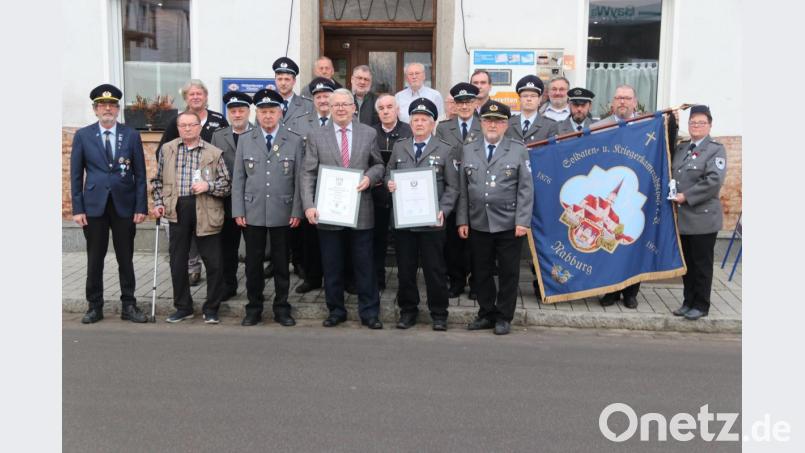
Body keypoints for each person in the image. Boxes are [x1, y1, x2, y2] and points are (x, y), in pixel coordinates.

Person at [302, 88, 386, 329]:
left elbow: (379, 165)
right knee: (332, 265)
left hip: (361, 209)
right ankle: (336, 310)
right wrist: (309, 205)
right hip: (328, 211)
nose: (340, 108)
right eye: (335, 104)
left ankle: (370, 312)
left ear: (353, 108)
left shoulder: (368, 133)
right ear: (329, 108)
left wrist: (370, 178)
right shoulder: (316, 135)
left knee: (364, 265)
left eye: (345, 104)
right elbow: (308, 173)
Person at [70, 84, 148, 324]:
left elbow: (140, 174)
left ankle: (129, 305)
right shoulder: (83, 136)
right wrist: (78, 208)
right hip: (94, 207)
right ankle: (94, 306)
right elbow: (75, 175)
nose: (107, 109)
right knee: (95, 259)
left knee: (125, 258)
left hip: (124, 205)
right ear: (95, 109)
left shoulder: (131, 135)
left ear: (118, 109)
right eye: (102, 105)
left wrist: (141, 207)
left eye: (112, 105)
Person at [457, 100, 533, 335]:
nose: (492, 125)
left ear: (506, 125)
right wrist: (462, 220)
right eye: (488, 120)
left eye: (498, 121)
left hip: (508, 222)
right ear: (481, 123)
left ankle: (504, 317)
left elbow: (526, 189)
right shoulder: (469, 149)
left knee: (509, 273)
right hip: (478, 221)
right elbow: (463, 189)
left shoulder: (518, 149)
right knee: (481, 272)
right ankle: (486, 313)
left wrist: (522, 221)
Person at [232, 89, 304, 327]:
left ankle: (282, 308)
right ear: (257, 114)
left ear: (280, 112)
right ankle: (253, 308)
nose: (268, 116)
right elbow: (239, 179)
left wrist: (297, 211)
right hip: (252, 212)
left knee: (282, 264)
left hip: (283, 211)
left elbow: (299, 180)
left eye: (272, 111)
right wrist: (238, 210)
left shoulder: (293, 140)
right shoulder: (246, 139)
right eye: (263, 112)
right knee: (253, 265)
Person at [386, 98, 460, 331]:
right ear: (410, 123)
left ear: (433, 123)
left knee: (434, 270)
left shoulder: (446, 149)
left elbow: (453, 187)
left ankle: (439, 313)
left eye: (424, 120)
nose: (419, 123)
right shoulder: (400, 147)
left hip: (432, 222)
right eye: (415, 119)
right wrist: (389, 183)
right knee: (405, 270)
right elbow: (389, 173)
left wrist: (443, 210)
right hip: (404, 222)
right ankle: (408, 311)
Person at [151, 111, 231, 324]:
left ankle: (211, 308)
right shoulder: (167, 150)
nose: (187, 129)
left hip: (206, 209)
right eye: (183, 125)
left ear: (199, 127)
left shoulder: (214, 152)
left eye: (192, 125)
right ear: (178, 128)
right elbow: (157, 181)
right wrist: (159, 203)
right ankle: (183, 307)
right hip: (177, 209)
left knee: (213, 263)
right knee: (178, 262)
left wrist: (208, 186)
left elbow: (226, 185)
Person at [158, 79, 229, 287]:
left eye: (199, 93)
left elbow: (225, 147)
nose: (196, 97)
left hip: (210, 191)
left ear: (206, 96)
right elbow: (163, 152)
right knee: (184, 244)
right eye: (191, 94)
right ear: (186, 98)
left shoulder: (217, 119)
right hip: (183, 193)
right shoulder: (178, 120)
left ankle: (217, 283)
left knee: (210, 239)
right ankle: (193, 270)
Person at [670, 105, 727, 321]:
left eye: (701, 122)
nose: (696, 126)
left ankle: (701, 304)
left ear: (709, 125)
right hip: (683, 218)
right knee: (688, 265)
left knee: (702, 265)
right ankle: (688, 302)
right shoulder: (682, 148)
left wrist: (686, 196)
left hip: (703, 218)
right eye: (693, 122)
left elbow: (713, 181)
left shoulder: (716, 149)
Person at [287, 77, 338, 294]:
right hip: (310, 186)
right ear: (313, 100)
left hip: (336, 188)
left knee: (337, 237)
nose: (323, 100)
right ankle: (312, 277)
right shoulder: (299, 122)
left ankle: (339, 277)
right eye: (318, 97)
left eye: (327, 96)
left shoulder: (343, 119)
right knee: (310, 237)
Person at [435, 82, 482, 299]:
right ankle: (456, 281)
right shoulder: (444, 128)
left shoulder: (484, 125)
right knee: (453, 243)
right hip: (452, 190)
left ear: (475, 103)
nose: (464, 106)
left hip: (477, 191)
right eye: (460, 102)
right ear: (454, 104)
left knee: (477, 242)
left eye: (468, 102)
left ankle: (477, 282)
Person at [210, 91, 254, 301]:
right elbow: (212, 165)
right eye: (233, 111)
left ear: (248, 112)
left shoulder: (258, 133)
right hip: (227, 199)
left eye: (241, 110)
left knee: (254, 249)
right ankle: (228, 285)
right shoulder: (219, 135)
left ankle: (254, 287)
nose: (237, 115)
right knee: (228, 247)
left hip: (253, 200)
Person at [372, 94, 413, 290]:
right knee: (377, 239)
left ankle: (405, 282)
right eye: (381, 108)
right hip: (377, 195)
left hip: (403, 197)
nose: (386, 111)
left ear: (397, 110)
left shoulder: (409, 130)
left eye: (390, 107)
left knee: (403, 243)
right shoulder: (370, 133)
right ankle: (378, 279)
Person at [506, 75, 558, 144]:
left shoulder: (550, 126)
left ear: (539, 99)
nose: (529, 99)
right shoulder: (508, 123)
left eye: (533, 96)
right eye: (525, 96)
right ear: (519, 99)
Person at [274, 56, 313, 128]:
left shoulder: (308, 105)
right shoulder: (266, 106)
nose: (283, 83)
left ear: (294, 81)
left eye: (287, 79)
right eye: (280, 79)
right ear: (275, 80)